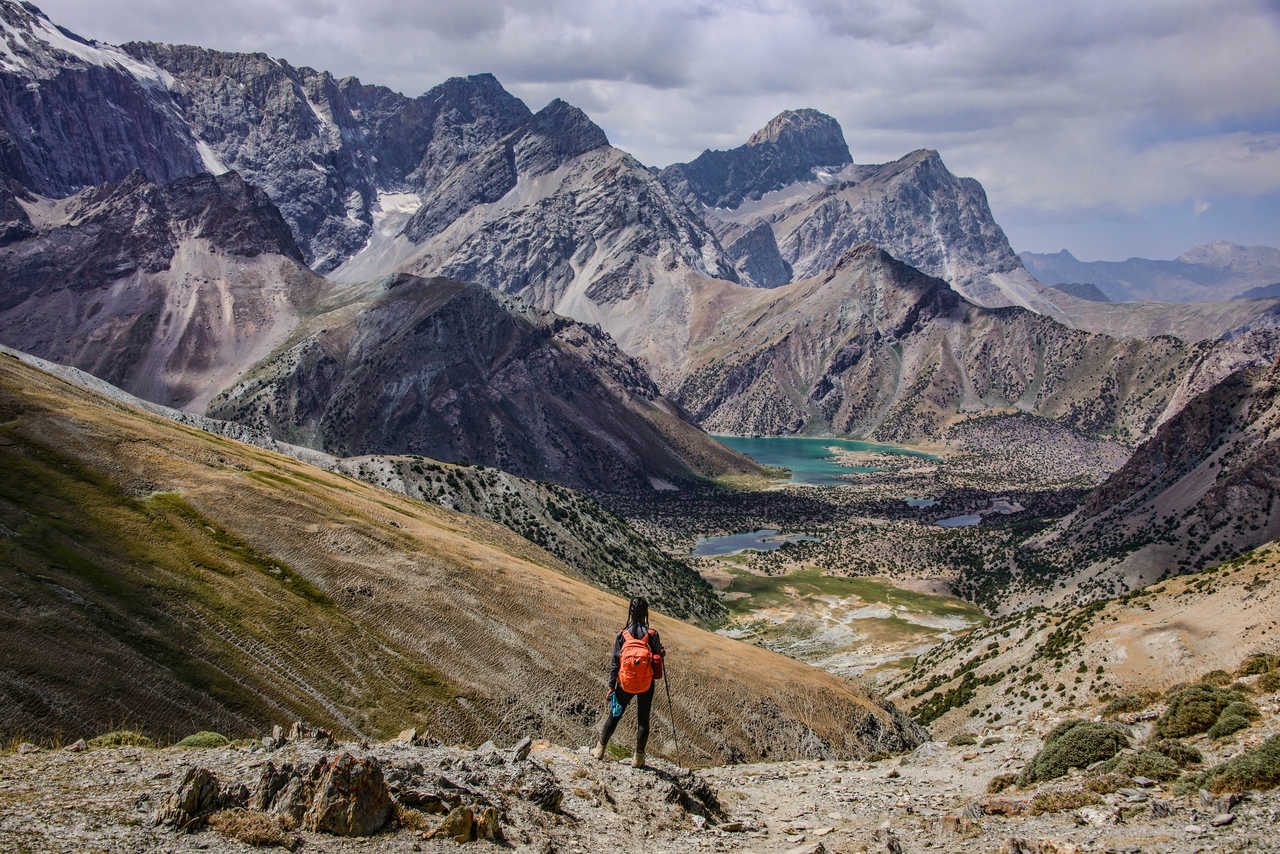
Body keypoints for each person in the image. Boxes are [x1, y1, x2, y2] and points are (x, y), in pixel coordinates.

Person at [591, 596, 664, 768]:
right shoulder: (652, 634)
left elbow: (615, 663)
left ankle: (599, 750)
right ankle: (638, 759)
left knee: (615, 715)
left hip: (625, 682)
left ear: (630, 612)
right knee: (643, 720)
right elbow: (657, 658)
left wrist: (611, 686)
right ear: (646, 612)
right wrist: (660, 653)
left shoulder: (621, 635)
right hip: (646, 684)